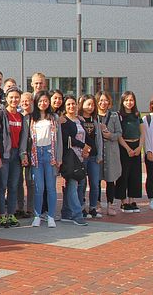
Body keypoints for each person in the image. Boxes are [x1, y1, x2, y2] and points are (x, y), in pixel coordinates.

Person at [20, 91, 62, 228]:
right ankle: (37, 215)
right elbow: (25, 138)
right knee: (38, 187)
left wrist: (59, 157)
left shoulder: (54, 117)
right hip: (36, 154)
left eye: (45, 101)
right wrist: (23, 154)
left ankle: (50, 216)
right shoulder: (30, 118)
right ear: (36, 103)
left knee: (51, 187)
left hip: (50, 154)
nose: (43, 103)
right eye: (40, 101)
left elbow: (59, 139)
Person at [0, 87, 23, 228]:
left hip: (16, 154)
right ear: (6, 98)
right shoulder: (0, 114)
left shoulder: (21, 116)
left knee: (13, 186)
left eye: (17, 97)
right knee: (2, 186)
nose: (14, 100)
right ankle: (1, 214)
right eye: (11, 97)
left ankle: (11, 214)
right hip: (4, 155)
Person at [59, 95, 90, 226]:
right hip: (70, 157)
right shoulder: (64, 121)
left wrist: (86, 149)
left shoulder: (80, 120)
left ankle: (66, 213)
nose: (72, 106)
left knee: (79, 184)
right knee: (72, 185)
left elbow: (86, 137)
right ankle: (77, 214)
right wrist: (83, 146)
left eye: (73, 104)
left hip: (81, 156)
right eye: (68, 104)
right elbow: (67, 138)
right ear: (65, 107)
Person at [95, 91, 123, 216]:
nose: (103, 103)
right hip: (97, 151)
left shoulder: (114, 116)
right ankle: (97, 203)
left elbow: (119, 133)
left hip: (111, 151)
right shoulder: (94, 116)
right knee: (96, 179)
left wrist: (110, 135)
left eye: (105, 100)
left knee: (110, 179)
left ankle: (110, 204)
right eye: (100, 100)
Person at [77, 94, 105, 219]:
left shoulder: (95, 120)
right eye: (88, 104)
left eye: (93, 105)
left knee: (94, 183)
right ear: (81, 104)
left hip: (94, 156)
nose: (90, 107)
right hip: (82, 157)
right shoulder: (78, 120)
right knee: (81, 184)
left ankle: (93, 207)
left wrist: (99, 154)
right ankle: (82, 208)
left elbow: (99, 139)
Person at [116, 91, 145, 213]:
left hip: (136, 146)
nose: (129, 102)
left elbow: (142, 133)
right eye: (127, 100)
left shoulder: (137, 115)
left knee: (135, 175)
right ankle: (123, 202)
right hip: (124, 147)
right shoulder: (118, 115)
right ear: (122, 101)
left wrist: (139, 147)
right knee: (124, 174)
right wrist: (127, 148)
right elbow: (118, 134)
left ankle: (132, 200)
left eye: (131, 100)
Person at [16, 91, 35, 218]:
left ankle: (31, 208)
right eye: (22, 101)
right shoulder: (18, 115)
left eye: (27, 100)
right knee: (18, 181)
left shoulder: (35, 116)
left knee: (30, 181)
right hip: (18, 152)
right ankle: (20, 207)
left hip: (32, 152)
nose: (24, 103)